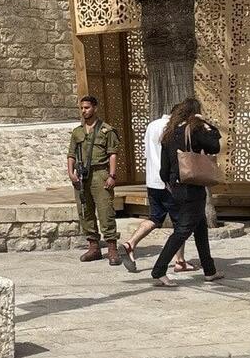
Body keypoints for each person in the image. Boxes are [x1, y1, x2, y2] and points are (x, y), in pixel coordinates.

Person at [151, 97, 224, 286]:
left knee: (200, 229)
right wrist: (206, 123)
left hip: (175, 186)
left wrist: (169, 182)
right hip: (192, 187)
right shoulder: (195, 129)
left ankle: (210, 270)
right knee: (182, 231)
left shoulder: (169, 133)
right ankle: (159, 270)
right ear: (194, 113)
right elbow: (215, 145)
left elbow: (163, 169)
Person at [118, 106, 196, 274]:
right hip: (168, 181)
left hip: (152, 180)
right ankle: (179, 261)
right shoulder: (173, 129)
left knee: (155, 218)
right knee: (180, 223)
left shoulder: (152, 125)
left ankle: (130, 243)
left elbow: (147, 151)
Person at [67, 96, 121, 265]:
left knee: (106, 211)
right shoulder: (77, 132)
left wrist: (112, 175)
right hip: (82, 176)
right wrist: (71, 173)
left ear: (95, 108)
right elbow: (71, 154)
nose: (84, 111)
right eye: (82, 108)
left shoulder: (106, 130)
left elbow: (112, 153)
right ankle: (93, 247)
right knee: (85, 211)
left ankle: (112, 248)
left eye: (87, 107)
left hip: (100, 173)